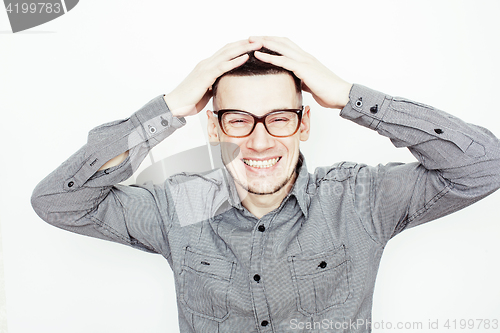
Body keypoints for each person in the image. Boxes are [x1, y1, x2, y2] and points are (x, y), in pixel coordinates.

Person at [31, 36, 500, 332]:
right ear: (214, 128)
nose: (258, 141)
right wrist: (169, 107)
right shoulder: (176, 207)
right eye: (238, 120)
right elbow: (59, 202)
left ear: (304, 123)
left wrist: (351, 97)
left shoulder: (362, 201)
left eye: (279, 118)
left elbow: (485, 165)